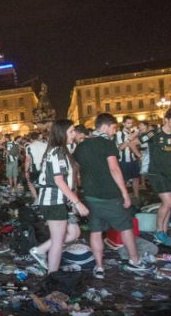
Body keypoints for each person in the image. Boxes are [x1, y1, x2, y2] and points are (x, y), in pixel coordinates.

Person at [74, 114, 151, 279]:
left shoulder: (81, 146)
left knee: (95, 231)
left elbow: (77, 170)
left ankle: (99, 267)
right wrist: (125, 193)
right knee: (126, 227)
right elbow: (114, 169)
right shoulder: (107, 144)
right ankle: (135, 261)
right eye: (114, 128)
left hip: (90, 194)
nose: (114, 131)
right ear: (106, 126)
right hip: (110, 194)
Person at [31, 120, 88, 274]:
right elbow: (59, 181)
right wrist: (78, 203)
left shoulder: (60, 150)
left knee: (74, 233)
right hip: (54, 200)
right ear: (61, 133)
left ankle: (40, 250)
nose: (74, 134)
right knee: (58, 240)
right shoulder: (57, 152)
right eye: (71, 131)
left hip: (62, 200)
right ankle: (52, 275)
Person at [141, 108, 171, 246]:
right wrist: (138, 151)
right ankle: (159, 231)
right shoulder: (154, 133)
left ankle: (163, 232)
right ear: (166, 119)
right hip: (156, 173)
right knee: (168, 202)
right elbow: (138, 141)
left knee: (169, 204)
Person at [114, 116, 143, 199]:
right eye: (128, 123)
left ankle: (136, 196)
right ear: (123, 123)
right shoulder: (119, 133)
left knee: (136, 178)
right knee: (123, 180)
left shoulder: (132, 132)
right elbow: (121, 147)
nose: (130, 125)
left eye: (131, 123)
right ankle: (123, 197)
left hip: (133, 159)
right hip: (123, 160)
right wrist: (130, 138)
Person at [24, 133, 47, 202]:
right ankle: (44, 198)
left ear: (31, 139)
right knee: (45, 183)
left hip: (34, 168)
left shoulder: (29, 147)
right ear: (38, 137)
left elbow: (28, 160)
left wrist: (26, 171)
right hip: (45, 167)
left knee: (30, 183)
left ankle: (37, 199)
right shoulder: (45, 145)